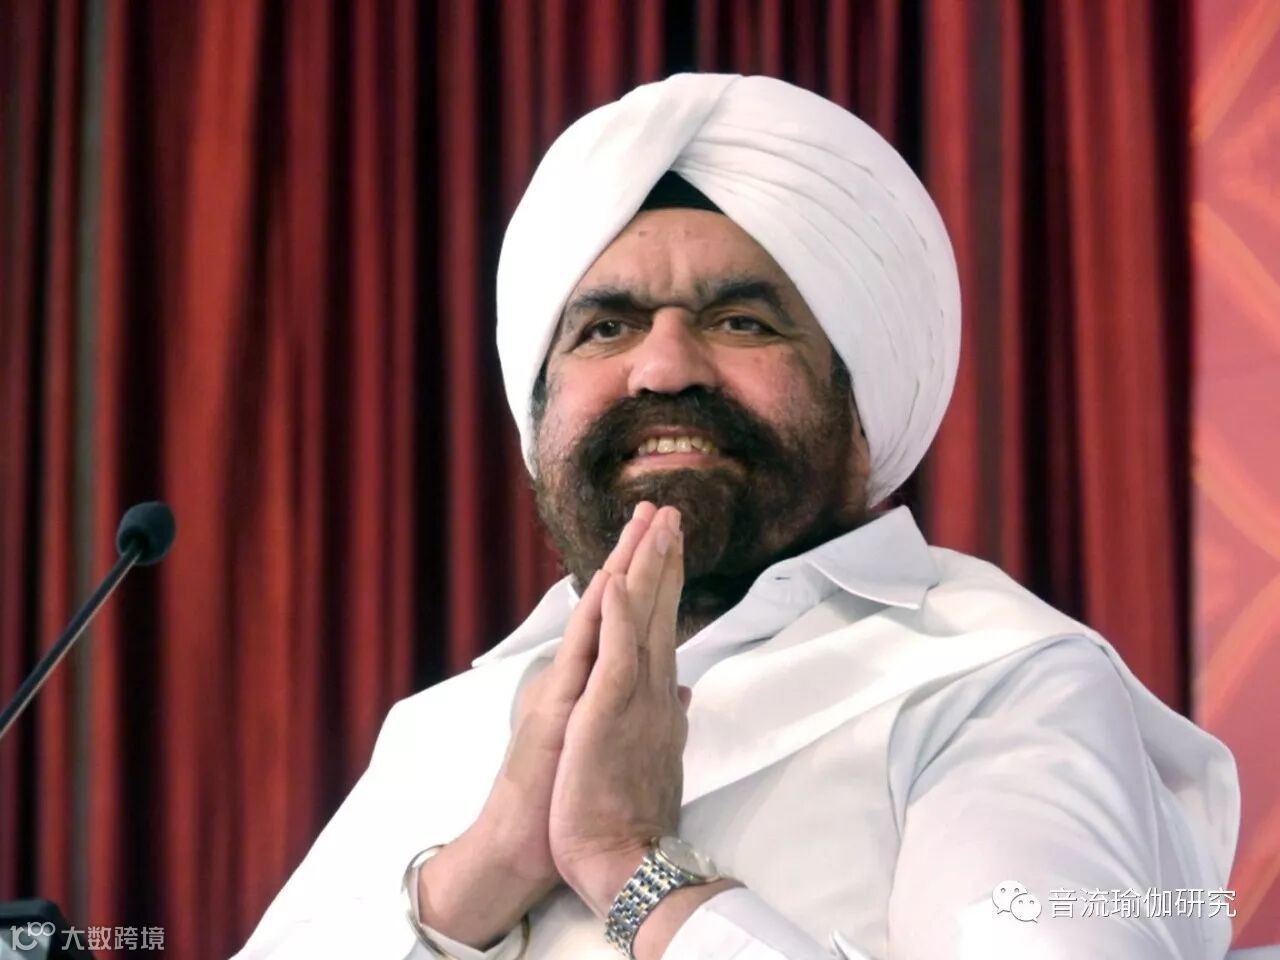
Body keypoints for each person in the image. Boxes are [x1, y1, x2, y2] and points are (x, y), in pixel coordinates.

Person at [231, 74, 1238, 960]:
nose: (663, 367)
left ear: (860, 403)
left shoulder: (990, 686)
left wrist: (632, 865)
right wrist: (479, 872)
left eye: (740, 321)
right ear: (538, 413)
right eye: (606, 328)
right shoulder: (446, 727)